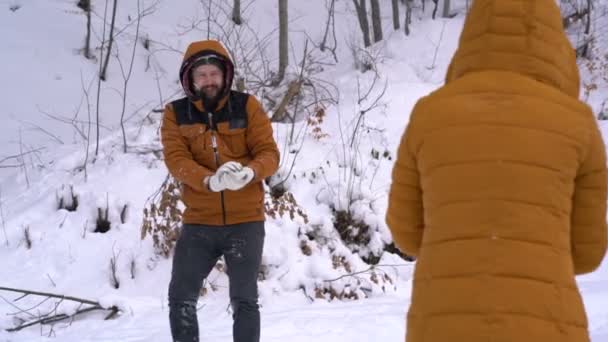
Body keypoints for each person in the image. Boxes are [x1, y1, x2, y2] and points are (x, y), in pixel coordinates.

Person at [386, 1, 607, 341]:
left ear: (472, 35)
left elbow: (407, 233)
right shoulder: (577, 125)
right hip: (546, 326)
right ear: (553, 41)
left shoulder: (429, 115)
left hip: (444, 325)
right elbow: (587, 252)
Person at [160, 39, 279, 342]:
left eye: (214, 73)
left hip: (245, 222)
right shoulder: (176, 114)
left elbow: (268, 152)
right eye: (202, 75)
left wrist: (250, 172)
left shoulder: (247, 105)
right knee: (181, 297)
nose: (209, 80)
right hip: (199, 221)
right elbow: (177, 160)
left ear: (225, 75)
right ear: (190, 79)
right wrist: (209, 181)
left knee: (244, 300)